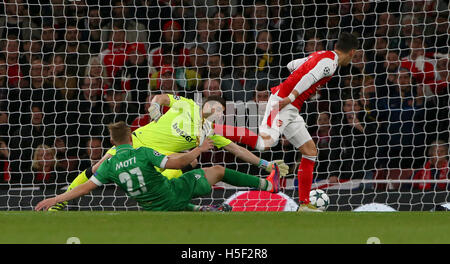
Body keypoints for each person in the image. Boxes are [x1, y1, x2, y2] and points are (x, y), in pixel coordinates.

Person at [48, 94, 288, 211]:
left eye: (220, 111)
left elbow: (236, 149)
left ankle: (199, 212)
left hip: (160, 161)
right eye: (214, 107)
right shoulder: (186, 104)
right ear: (205, 103)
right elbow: (161, 97)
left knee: (169, 188)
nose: (216, 112)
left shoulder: (208, 131)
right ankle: (60, 204)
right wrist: (154, 105)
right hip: (135, 145)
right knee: (97, 169)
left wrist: (265, 164)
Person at [242, 32, 359, 211]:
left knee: (310, 150)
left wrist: (296, 90)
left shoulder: (319, 55)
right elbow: (309, 78)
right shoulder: (331, 64)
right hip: (282, 103)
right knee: (265, 143)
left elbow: (291, 65)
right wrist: (291, 96)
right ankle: (216, 129)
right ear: (352, 52)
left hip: (291, 109)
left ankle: (304, 204)